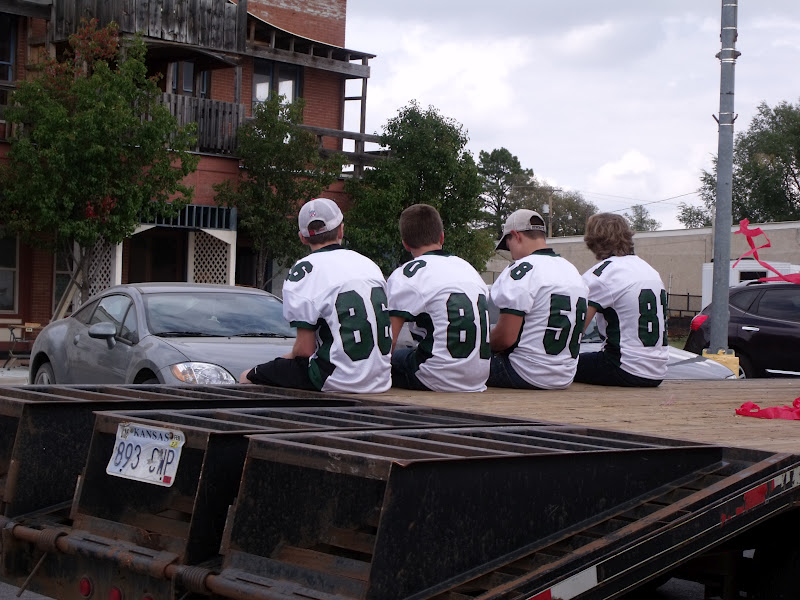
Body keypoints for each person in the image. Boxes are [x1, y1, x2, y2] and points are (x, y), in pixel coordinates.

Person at [240, 197, 391, 393]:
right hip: (380, 379)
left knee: (247, 376)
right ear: (341, 230)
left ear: (302, 238)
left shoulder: (305, 269)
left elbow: (304, 351)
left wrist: (281, 361)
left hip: (335, 378)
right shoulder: (369, 265)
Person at [386, 204, 490, 392]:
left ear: (405, 243)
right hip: (478, 377)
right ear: (442, 237)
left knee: (393, 358)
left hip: (436, 375)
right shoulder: (468, 269)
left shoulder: (407, 274)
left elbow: (389, 341)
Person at [488, 209, 588, 389]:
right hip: (564, 376)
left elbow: (505, 338)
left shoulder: (522, 269)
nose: (511, 255)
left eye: (509, 246)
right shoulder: (572, 270)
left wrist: (481, 342)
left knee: (455, 360)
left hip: (525, 372)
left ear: (515, 235)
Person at [575, 212, 668, 387]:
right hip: (658, 371)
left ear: (593, 240)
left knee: (560, 366)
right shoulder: (649, 270)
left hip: (624, 367)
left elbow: (575, 331)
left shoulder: (602, 274)